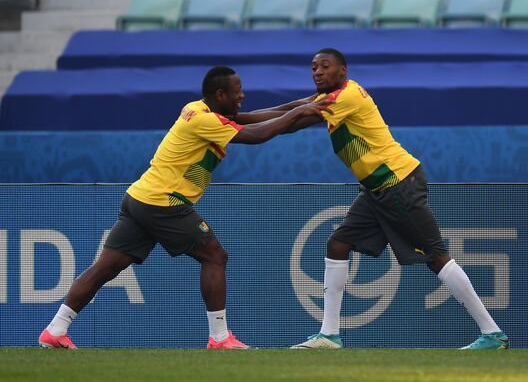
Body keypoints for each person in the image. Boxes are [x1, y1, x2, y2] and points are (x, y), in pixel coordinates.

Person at [38, 66, 331, 350]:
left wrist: (308, 104)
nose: (242, 96)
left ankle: (55, 330)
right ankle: (219, 338)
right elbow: (257, 134)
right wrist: (299, 112)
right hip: (164, 203)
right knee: (214, 256)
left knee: (107, 267)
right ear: (219, 95)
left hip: (140, 198)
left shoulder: (202, 109)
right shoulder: (204, 121)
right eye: (237, 92)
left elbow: (257, 118)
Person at [288, 48, 509, 350]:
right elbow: (291, 109)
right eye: (313, 67)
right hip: (377, 190)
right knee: (338, 244)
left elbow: (293, 118)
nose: (317, 72)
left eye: (324, 66)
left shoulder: (347, 96)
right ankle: (329, 335)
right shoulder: (328, 99)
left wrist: (241, 131)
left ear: (343, 71)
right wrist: (237, 121)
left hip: (398, 184)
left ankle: (492, 333)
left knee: (435, 256)